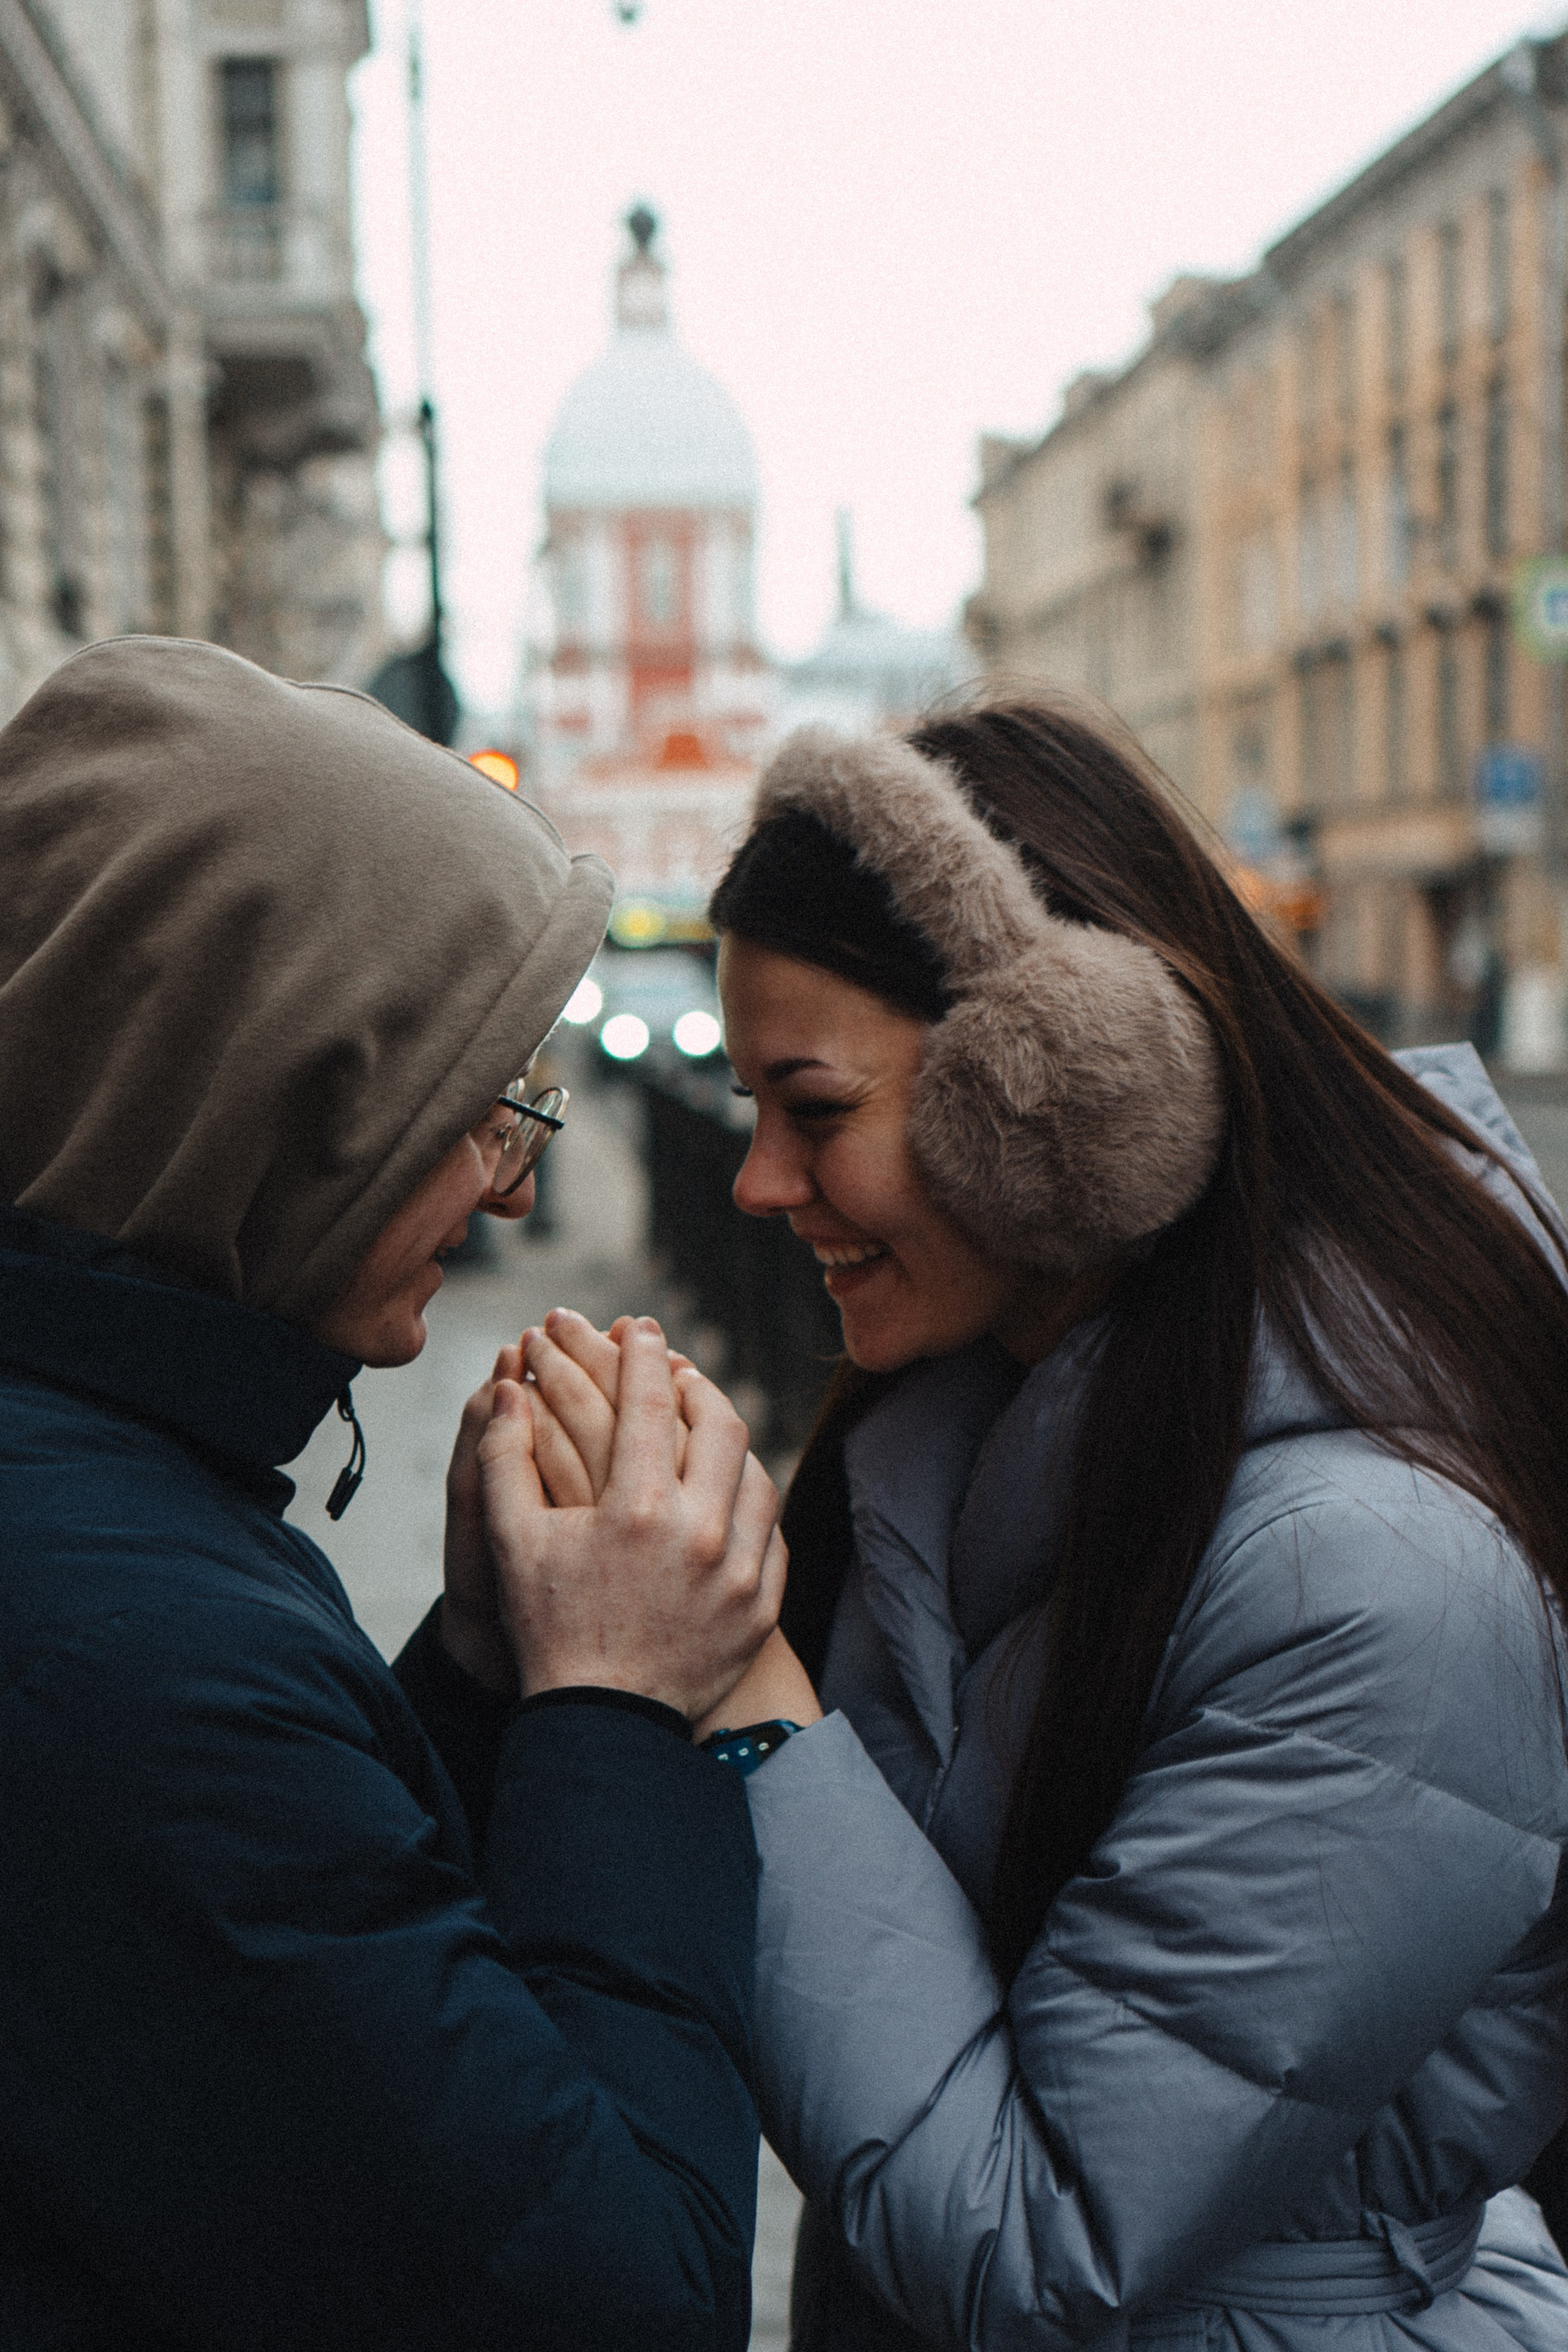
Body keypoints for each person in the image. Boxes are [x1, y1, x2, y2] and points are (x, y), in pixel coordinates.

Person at [519, 702, 1568, 2351]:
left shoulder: (1379, 1592)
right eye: (748, 1107)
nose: (756, 1183)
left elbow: (1038, 2241)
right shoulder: (972, 1413)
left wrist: (737, 1697)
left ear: (1056, 1094)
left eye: (815, 1109)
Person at [0, 635, 786, 2351]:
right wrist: (619, 1705)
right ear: (281, 1101)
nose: (515, 1193)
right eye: (485, 1110)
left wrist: (485, 1679)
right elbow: (619, 2300)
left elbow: (288, 2031)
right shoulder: (145, 1650)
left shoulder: (103, 1481)